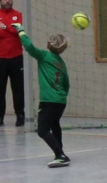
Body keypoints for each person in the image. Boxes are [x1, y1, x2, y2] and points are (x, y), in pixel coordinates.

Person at [12, 24, 70, 168]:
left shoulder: (44, 56)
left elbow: (29, 47)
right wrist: (61, 96)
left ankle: (60, 155)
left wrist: (20, 30)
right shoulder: (61, 63)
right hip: (60, 101)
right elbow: (66, 84)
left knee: (42, 130)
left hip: (48, 101)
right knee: (55, 125)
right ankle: (60, 152)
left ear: (49, 44)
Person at [0, 0, 25, 127]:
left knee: (18, 88)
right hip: (0, 59)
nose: (7, 1)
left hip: (16, 58)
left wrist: (4, 27)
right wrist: (10, 30)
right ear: (0, 0)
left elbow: (19, 30)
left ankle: (20, 115)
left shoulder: (18, 15)